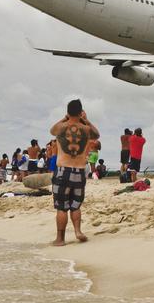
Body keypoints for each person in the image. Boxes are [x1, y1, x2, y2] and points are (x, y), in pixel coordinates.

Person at [49, 99, 100, 246]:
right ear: (80, 112)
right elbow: (97, 134)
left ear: (68, 112)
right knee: (75, 205)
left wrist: (65, 118)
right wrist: (86, 120)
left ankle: (60, 239)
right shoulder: (86, 130)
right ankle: (78, 231)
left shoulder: (61, 128)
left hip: (62, 171)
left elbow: (52, 130)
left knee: (61, 207)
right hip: (79, 171)